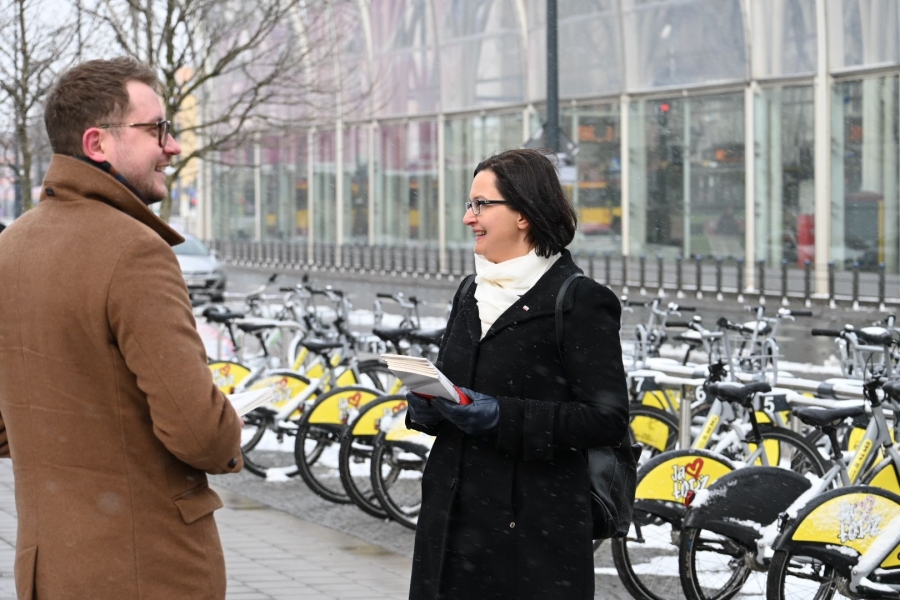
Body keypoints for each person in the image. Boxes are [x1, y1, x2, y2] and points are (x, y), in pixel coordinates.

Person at [0, 58, 243, 599]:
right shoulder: (135, 252)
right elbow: (200, 433)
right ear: (97, 143)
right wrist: (229, 428)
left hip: (49, 572)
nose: (172, 146)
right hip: (148, 570)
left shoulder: (9, 248)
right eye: (156, 129)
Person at [404, 148, 629, 599]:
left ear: (523, 213)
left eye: (481, 204)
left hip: (531, 534)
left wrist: (501, 416)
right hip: (450, 525)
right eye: (469, 204)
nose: (469, 217)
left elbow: (605, 419)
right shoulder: (470, 291)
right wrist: (428, 405)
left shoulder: (579, 300)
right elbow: (458, 385)